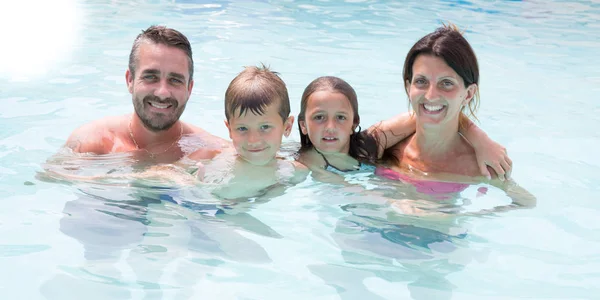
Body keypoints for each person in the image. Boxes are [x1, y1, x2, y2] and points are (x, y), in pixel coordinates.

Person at [375, 23, 535, 209]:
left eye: (446, 83)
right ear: (408, 87)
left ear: (468, 94)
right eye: (421, 81)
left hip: (437, 237)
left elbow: (526, 202)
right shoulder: (386, 143)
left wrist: (455, 217)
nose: (431, 95)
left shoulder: (478, 166)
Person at [296, 76, 511, 181]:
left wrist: (480, 139)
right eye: (319, 118)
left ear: (354, 123)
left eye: (341, 117)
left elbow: (431, 112)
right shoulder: (304, 160)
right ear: (303, 125)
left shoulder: (372, 141)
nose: (330, 127)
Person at [64, 25, 227, 163]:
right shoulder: (90, 143)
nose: (162, 93)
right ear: (130, 80)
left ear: (189, 89)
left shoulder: (213, 153)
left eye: (175, 80)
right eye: (150, 77)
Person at [196, 64, 308, 199]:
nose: (253, 140)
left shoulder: (295, 172)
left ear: (287, 127)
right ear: (229, 130)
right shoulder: (214, 160)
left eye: (265, 127)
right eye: (242, 128)